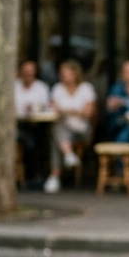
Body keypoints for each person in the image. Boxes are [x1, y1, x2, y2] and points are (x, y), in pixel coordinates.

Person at [44, 60, 97, 193]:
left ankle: (55, 176)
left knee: (56, 134)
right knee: (58, 131)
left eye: (66, 73)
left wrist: (67, 111)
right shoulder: (57, 88)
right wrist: (74, 111)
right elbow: (53, 109)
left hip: (82, 130)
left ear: (75, 74)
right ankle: (67, 155)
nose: (63, 76)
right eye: (62, 73)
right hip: (64, 128)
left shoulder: (86, 88)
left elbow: (88, 113)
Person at [15, 60, 51, 184]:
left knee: (39, 135)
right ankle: (30, 175)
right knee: (29, 139)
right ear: (20, 72)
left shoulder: (41, 88)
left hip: (36, 124)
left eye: (31, 72)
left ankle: (35, 175)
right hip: (16, 126)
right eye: (26, 72)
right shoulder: (13, 87)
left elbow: (45, 108)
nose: (29, 75)